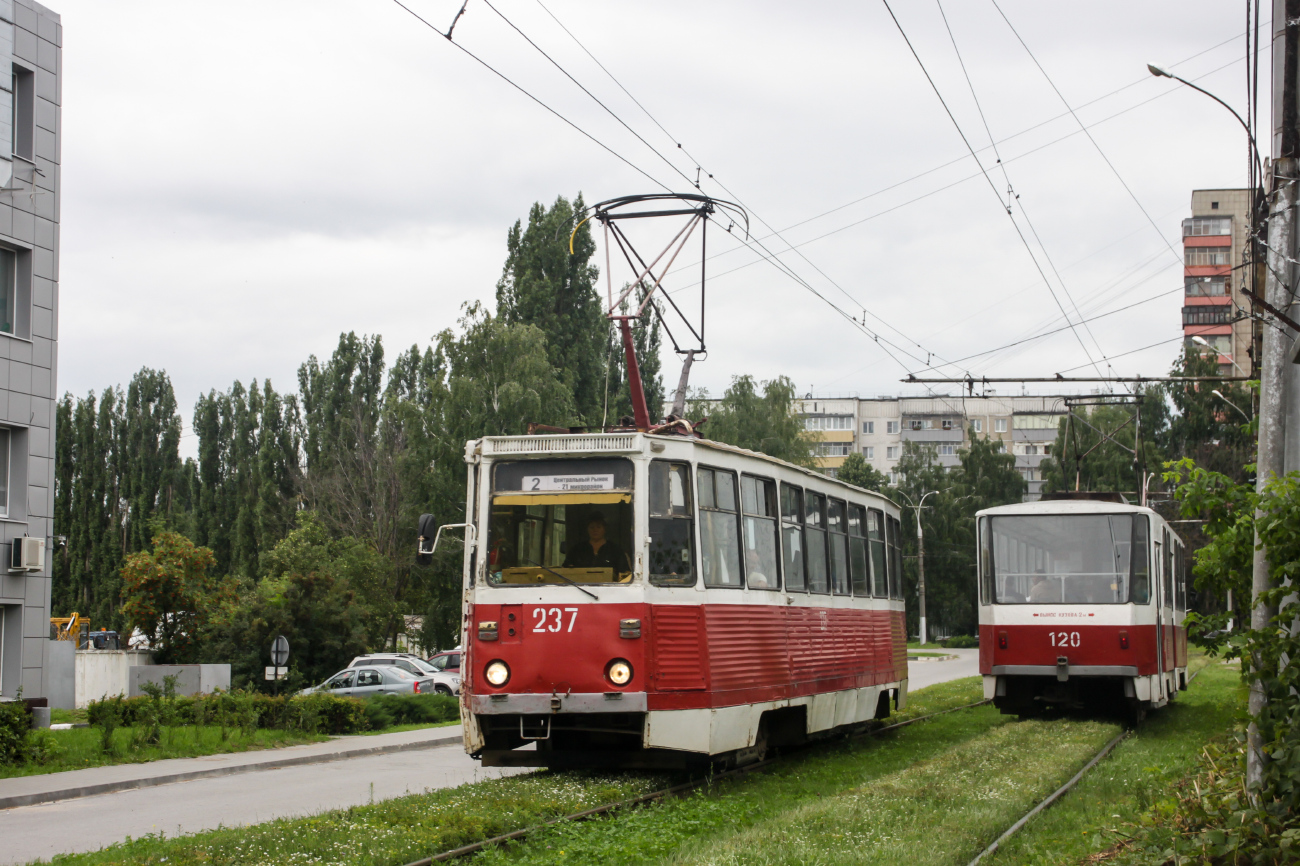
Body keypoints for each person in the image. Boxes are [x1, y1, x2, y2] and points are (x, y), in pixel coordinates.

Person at [563, 513, 630, 571]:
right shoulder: (577, 550)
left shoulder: (615, 550)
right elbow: (565, 570)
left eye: (598, 527)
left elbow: (624, 573)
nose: (595, 530)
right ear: (587, 529)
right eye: (592, 527)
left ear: (604, 529)